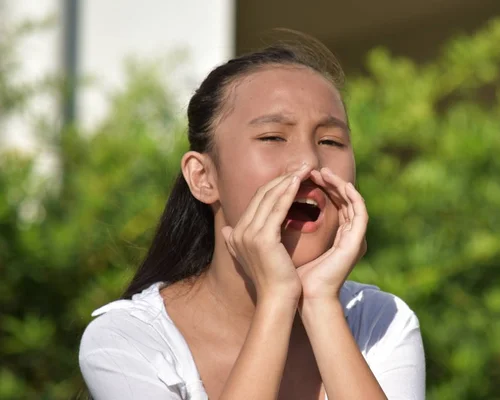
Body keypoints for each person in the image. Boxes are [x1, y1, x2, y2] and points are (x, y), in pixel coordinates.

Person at [78, 35, 426, 400]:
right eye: (274, 137)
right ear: (203, 177)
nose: (308, 163)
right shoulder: (125, 340)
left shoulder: (380, 321)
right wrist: (277, 298)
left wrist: (320, 301)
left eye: (331, 142)